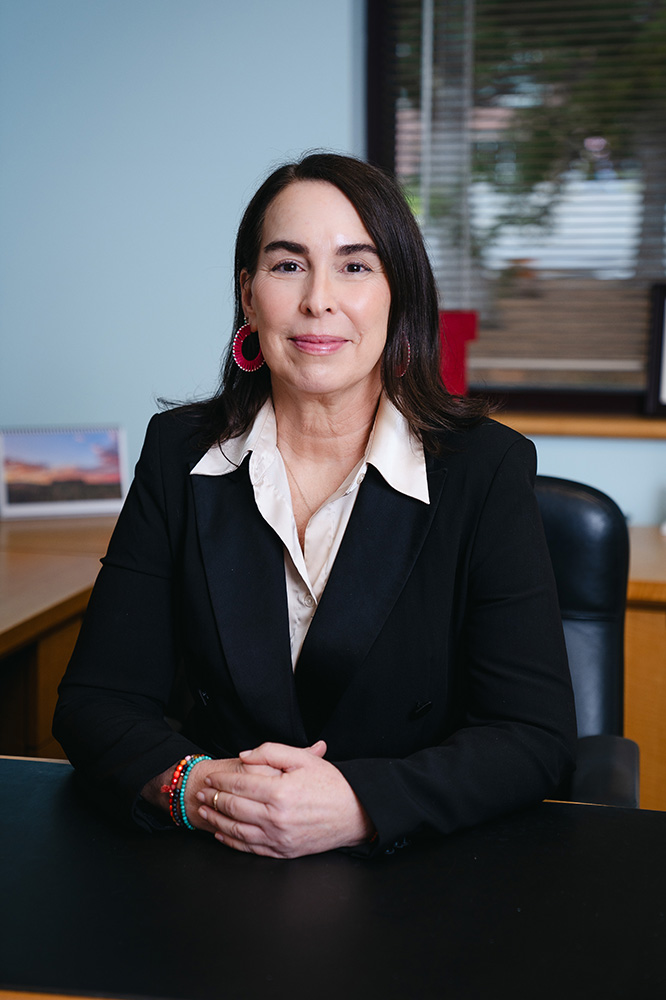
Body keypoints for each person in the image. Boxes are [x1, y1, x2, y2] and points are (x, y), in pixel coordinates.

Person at [53, 152, 576, 859]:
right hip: (216, 873)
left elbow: (532, 739)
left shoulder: (483, 469)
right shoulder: (180, 454)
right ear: (248, 294)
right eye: (288, 264)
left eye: (356, 267)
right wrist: (203, 791)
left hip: (416, 880)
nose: (318, 300)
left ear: (400, 296)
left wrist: (361, 804)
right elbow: (95, 703)